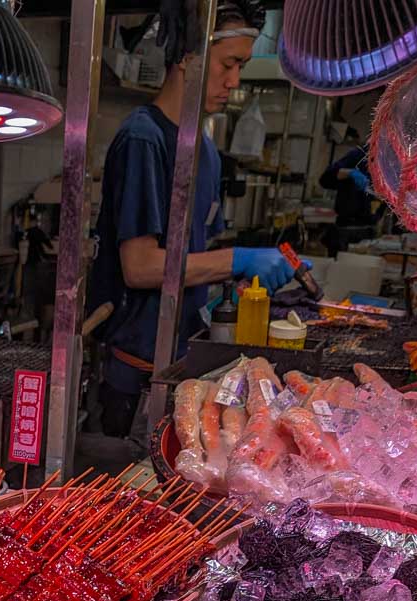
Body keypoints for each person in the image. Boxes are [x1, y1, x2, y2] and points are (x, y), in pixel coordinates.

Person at [92, 0, 306, 437]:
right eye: (229, 65)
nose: (235, 82)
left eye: (241, 67)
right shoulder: (143, 139)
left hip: (185, 366)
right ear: (189, 58)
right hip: (137, 377)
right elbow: (141, 266)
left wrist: (241, 285)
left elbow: (194, 255)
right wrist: (237, 259)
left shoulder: (204, 149)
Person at [319, 132, 378, 256]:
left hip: (370, 232)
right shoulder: (359, 155)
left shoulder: (390, 165)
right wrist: (350, 173)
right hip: (345, 230)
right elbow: (325, 179)